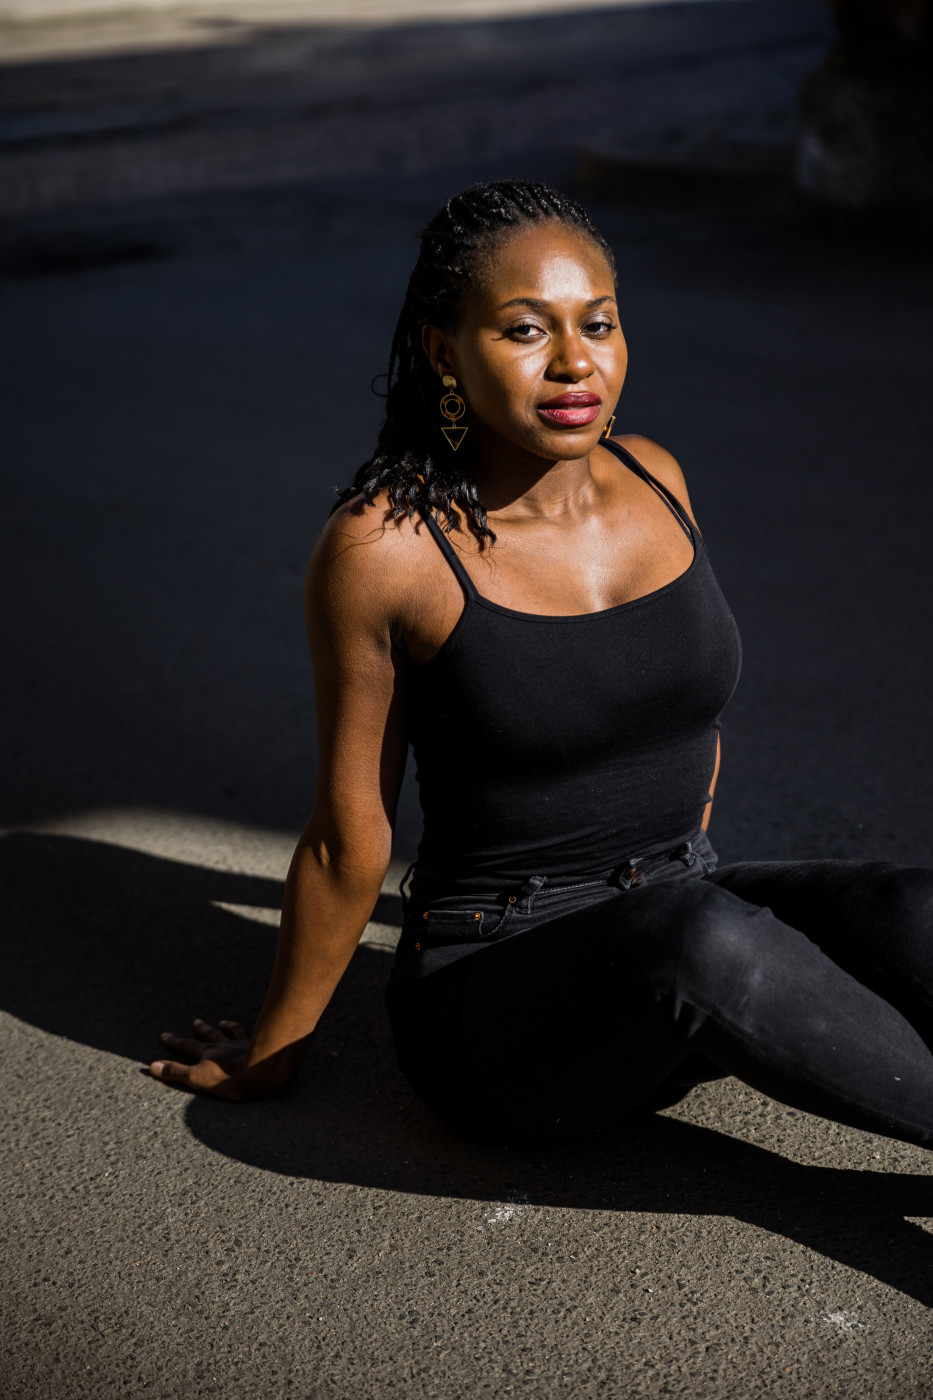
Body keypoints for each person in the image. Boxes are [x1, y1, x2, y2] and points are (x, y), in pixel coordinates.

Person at [150, 179, 933, 1151]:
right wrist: (270, 1053)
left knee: (909, 907)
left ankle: (717, 988)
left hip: (669, 920)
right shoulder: (387, 553)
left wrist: (676, 888)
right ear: (445, 351)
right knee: (703, 942)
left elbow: (685, 713)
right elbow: (344, 844)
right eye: (525, 330)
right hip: (497, 1003)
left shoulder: (655, 477)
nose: (574, 361)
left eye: (597, 323)